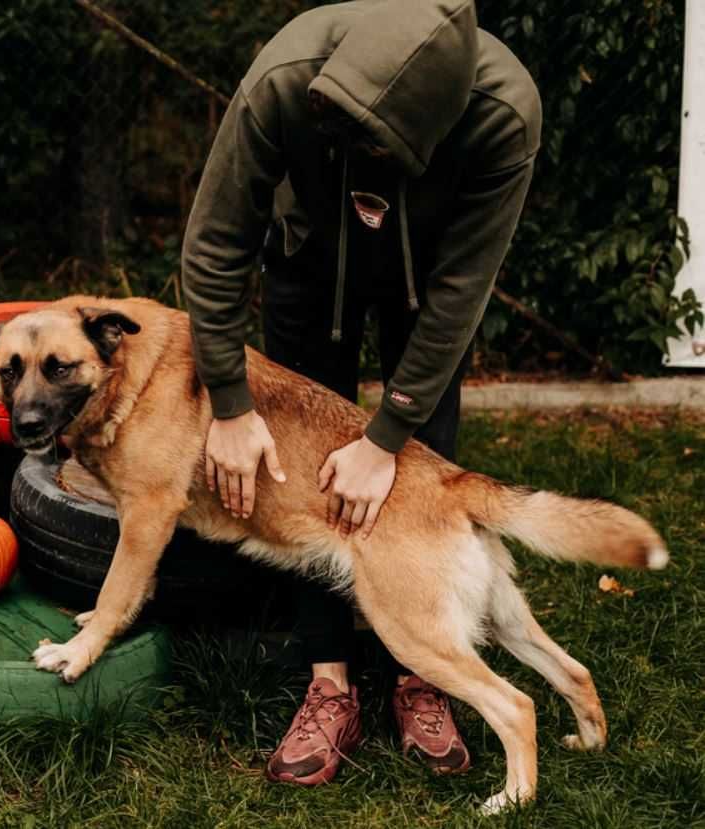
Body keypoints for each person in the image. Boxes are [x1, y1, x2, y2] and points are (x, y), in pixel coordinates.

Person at [181, 0, 541, 786]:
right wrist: (232, 404)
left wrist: (385, 438)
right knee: (304, 469)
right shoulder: (282, 78)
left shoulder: (503, 114)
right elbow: (212, 249)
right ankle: (329, 680)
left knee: (422, 463)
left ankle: (425, 673)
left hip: (429, 282)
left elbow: (461, 293)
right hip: (306, 259)